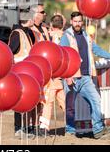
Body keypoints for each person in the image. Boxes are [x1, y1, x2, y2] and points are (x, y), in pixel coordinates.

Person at [60, 11, 110, 139]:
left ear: (82, 22)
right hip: (72, 76)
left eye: (79, 21)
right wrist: (67, 76)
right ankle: (70, 131)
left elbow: (96, 50)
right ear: (71, 22)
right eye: (75, 21)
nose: (77, 24)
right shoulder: (67, 36)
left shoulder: (86, 35)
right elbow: (63, 56)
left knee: (96, 100)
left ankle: (98, 129)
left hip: (86, 76)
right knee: (70, 106)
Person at [8, 9, 36, 139]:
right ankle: (18, 129)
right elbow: (10, 52)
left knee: (25, 100)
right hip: (19, 73)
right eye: (33, 18)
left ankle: (23, 128)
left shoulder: (26, 33)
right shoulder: (17, 34)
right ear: (29, 20)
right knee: (19, 100)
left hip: (26, 73)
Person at [39, 14, 67, 133]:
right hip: (63, 74)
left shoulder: (48, 37)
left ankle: (44, 127)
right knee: (64, 101)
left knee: (48, 102)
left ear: (51, 25)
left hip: (52, 74)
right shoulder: (66, 36)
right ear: (62, 25)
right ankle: (74, 123)